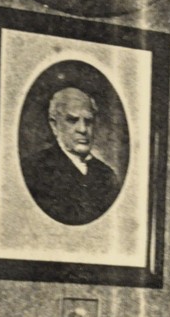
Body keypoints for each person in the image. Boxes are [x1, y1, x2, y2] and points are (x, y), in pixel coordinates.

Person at [21, 86, 120, 225]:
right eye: (72, 120)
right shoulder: (32, 170)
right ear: (54, 125)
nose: (83, 129)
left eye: (88, 121)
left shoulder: (107, 175)